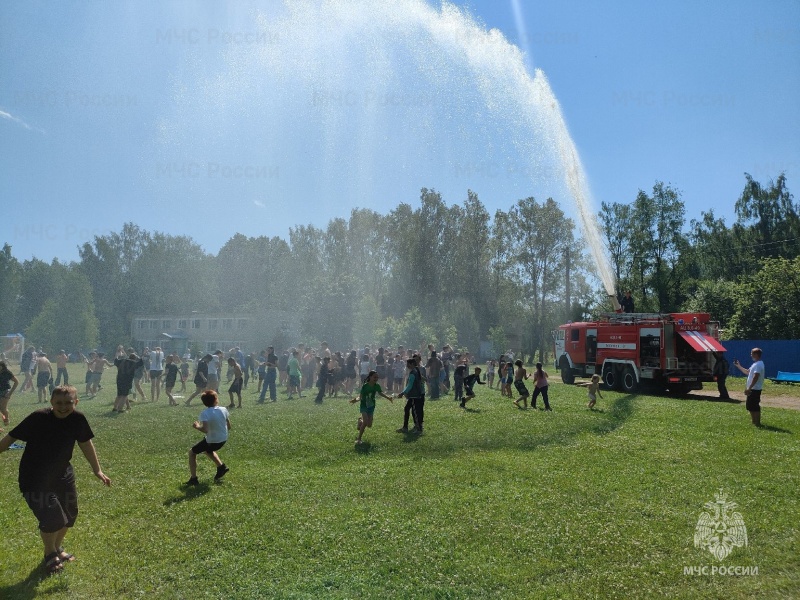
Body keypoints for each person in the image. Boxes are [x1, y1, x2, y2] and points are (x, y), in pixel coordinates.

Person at [0, 385, 111, 574]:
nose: (63, 406)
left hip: (63, 474)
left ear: (76, 402)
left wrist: (97, 469)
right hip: (34, 478)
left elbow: (85, 442)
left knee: (70, 514)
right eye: (58, 402)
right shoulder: (38, 417)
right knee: (52, 517)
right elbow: (11, 438)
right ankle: (49, 554)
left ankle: (57, 548)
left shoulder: (78, 419)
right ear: (51, 402)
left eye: (68, 402)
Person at [185, 389, 230, 485]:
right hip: (223, 439)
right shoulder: (224, 409)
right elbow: (229, 426)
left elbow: (205, 430)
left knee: (192, 453)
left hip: (213, 440)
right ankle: (221, 467)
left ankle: (194, 479)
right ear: (216, 399)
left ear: (204, 403)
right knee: (207, 450)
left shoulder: (205, 413)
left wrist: (197, 427)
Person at [349, 370, 393, 444]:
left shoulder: (377, 386)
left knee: (369, 425)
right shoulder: (365, 386)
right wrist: (355, 400)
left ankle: (360, 421)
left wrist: (388, 398)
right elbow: (360, 397)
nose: (376, 379)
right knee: (365, 421)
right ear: (370, 377)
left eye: (377, 377)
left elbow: (380, 393)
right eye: (374, 377)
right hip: (364, 405)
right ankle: (359, 439)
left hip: (371, 406)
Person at [733, 348, 765, 427]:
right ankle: (754, 422)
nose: (751, 355)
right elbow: (747, 372)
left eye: (752, 354)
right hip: (752, 389)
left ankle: (757, 422)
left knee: (754, 406)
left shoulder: (758, 365)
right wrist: (738, 366)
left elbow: (756, 377)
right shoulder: (755, 364)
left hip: (755, 389)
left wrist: (749, 388)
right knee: (750, 406)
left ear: (756, 354)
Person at [396, 358, 425, 434]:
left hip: (414, 396)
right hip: (415, 395)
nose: (407, 366)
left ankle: (419, 429)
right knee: (407, 409)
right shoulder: (416, 370)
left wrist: (402, 393)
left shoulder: (413, 373)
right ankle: (405, 427)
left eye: (408, 364)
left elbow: (410, 385)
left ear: (412, 364)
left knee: (415, 412)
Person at [0, 361, 20, 425]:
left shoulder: (7, 372)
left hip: (5, 391)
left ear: (2, 366)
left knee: (3, 408)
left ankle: (7, 419)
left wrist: (10, 393)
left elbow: (16, 382)